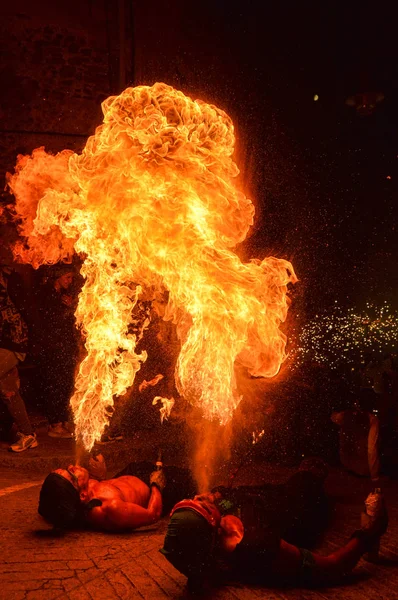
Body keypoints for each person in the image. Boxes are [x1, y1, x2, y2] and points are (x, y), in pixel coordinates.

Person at [160, 459, 388, 590]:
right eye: (197, 503)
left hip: (270, 495)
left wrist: (218, 493)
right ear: (210, 521)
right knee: (305, 479)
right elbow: (331, 567)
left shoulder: (215, 527)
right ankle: (312, 473)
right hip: (303, 503)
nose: (198, 497)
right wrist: (368, 534)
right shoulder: (255, 546)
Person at [38, 454, 196, 531]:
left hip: (131, 472)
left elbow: (51, 505)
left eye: (68, 468)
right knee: (192, 478)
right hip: (156, 491)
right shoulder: (111, 508)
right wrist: (157, 484)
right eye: (71, 472)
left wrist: (100, 475)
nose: (72, 465)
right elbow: (152, 514)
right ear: (82, 496)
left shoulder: (80, 493)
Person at [0, 247, 38, 452]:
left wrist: (35, 342)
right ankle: (27, 433)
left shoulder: (11, 279)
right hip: (4, 342)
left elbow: (29, 309)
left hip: (13, 342)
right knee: (8, 391)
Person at [35, 264, 79, 438]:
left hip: (65, 346)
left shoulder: (63, 295)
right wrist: (68, 309)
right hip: (53, 347)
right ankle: (55, 424)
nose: (70, 281)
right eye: (67, 277)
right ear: (58, 277)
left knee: (65, 383)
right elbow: (52, 322)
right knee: (55, 383)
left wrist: (71, 307)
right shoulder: (47, 295)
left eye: (71, 277)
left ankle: (63, 419)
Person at [331, 394, 380, 485]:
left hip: (347, 469)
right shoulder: (371, 419)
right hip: (360, 470)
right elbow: (372, 448)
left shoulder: (344, 415)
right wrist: (374, 476)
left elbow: (333, 417)